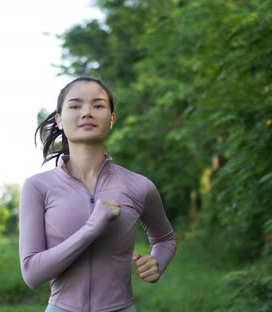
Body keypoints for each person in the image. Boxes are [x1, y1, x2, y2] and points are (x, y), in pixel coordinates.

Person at [19, 76, 177, 312]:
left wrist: (157, 262)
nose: (87, 112)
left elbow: (165, 239)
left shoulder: (139, 186)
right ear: (59, 120)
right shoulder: (37, 187)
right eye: (75, 106)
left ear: (112, 119)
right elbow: (32, 274)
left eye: (98, 105)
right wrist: (91, 229)